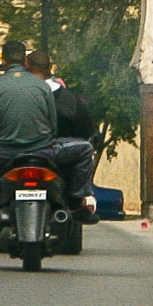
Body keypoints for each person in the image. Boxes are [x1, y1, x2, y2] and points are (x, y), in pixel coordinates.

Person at [0, 40, 57, 231]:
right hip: (43, 152)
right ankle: (76, 201)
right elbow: (52, 123)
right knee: (82, 149)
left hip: (5, 155)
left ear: (3, 60)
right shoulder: (43, 87)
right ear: (25, 61)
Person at [28, 49, 99, 219]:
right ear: (49, 69)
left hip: (11, 151)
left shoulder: (8, 92)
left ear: (26, 67)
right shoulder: (67, 99)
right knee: (85, 148)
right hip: (53, 153)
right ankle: (76, 201)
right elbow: (85, 130)